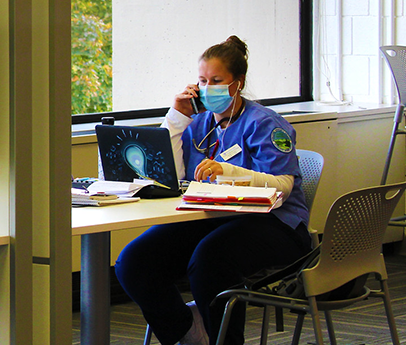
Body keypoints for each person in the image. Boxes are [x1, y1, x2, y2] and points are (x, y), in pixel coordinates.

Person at [114, 36, 313, 345]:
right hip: (212, 216)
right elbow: (170, 176)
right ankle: (189, 333)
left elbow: (283, 186)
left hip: (276, 225)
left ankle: (225, 341)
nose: (208, 88)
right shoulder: (200, 123)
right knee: (134, 262)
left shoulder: (264, 124)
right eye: (202, 80)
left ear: (238, 82)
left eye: (217, 80)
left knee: (210, 261)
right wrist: (177, 117)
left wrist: (227, 171)